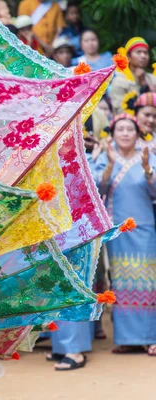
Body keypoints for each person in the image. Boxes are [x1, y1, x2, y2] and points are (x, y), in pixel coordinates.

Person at [94, 114, 156, 357]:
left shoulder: (149, 156)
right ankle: (127, 338)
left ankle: (151, 337)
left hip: (145, 229)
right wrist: (109, 164)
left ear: (137, 133)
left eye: (130, 129)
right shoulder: (104, 159)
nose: (125, 133)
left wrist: (147, 169)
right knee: (121, 284)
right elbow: (99, 189)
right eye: (120, 129)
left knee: (148, 285)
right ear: (113, 134)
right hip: (119, 232)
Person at [110, 37, 156, 115]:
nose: (143, 56)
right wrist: (140, 84)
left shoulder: (153, 78)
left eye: (145, 53)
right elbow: (119, 111)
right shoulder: (119, 81)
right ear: (128, 56)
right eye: (138, 52)